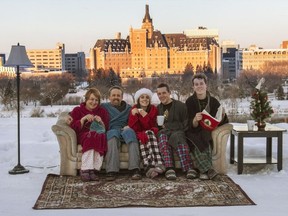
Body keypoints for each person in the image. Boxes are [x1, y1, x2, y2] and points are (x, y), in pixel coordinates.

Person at [185, 73, 229, 180]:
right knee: (196, 138)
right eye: (196, 84)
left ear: (206, 85)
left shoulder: (214, 102)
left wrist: (222, 116)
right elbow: (187, 123)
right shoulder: (189, 102)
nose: (199, 86)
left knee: (205, 135)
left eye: (201, 84)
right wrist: (195, 120)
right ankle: (208, 170)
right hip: (193, 132)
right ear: (193, 87)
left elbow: (223, 121)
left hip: (207, 132)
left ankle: (203, 171)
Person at [156, 83, 197, 180]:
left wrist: (168, 126)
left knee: (178, 137)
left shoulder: (181, 106)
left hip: (178, 132)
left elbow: (185, 124)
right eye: (159, 94)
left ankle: (188, 168)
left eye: (164, 93)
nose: (162, 96)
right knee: (162, 137)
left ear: (169, 93)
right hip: (164, 133)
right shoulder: (157, 108)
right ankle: (169, 168)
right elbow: (155, 125)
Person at [68, 88, 109, 182]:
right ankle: (85, 169)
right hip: (83, 135)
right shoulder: (78, 110)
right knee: (90, 136)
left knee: (100, 136)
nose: (94, 102)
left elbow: (106, 128)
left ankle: (93, 170)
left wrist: (101, 122)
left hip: (97, 135)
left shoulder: (102, 112)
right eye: (91, 99)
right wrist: (83, 119)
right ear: (86, 99)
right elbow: (74, 127)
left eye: (96, 100)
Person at [102, 86, 141, 181]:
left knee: (131, 133)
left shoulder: (129, 108)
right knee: (112, 135)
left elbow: (134, 121)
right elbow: (88, 108)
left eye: (118, 95)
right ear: (109, 97)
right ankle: (111, 170)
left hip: (125, 129)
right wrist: (70, 115)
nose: (116, 97)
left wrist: (129, 126)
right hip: (112, 129)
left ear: (122, 97)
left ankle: (135, 169)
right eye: (113, 95)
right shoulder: (104, 107)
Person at [128, 88, 165, 179]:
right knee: (143, 136)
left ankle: (150, 166)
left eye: (147, 97)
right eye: (142, 97)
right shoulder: (134, 109)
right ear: (138, 100)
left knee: (148, 133)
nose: (145, 99)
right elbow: (133, 127)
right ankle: (154, 165)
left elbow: (152, 125)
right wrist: (133, 115)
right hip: (140, 134)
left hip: (151, 132)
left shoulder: (153, 109)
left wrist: (145, 115)